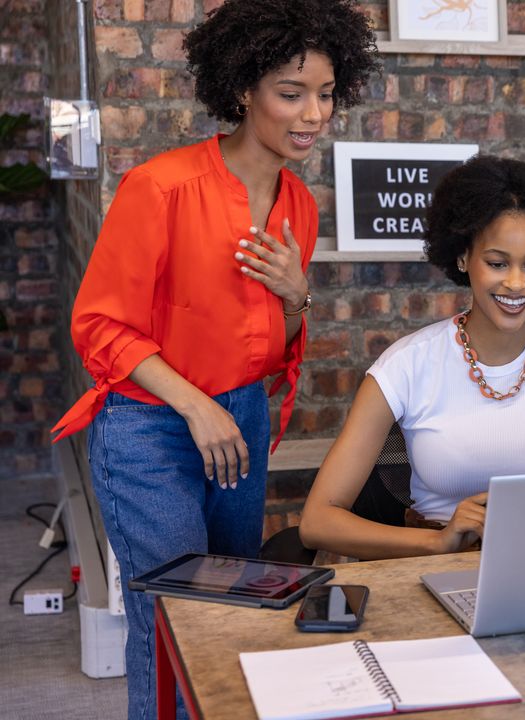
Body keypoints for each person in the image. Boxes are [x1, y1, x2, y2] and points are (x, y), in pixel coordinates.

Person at [49, 2, 378, 717]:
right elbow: (99, 325)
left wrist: (298, 298)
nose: (313, 113)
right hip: (152, 426)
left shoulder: (299, 204)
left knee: (231, 610)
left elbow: (274, 344)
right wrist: (196, 406)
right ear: (241, 90)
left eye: (325, 93)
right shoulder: (160, 188)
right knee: (171, 616)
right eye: (292, 94)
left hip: (243, 421)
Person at [300, 155, 525, 559]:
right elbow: (318, 522)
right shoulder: (407, 365)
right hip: (436, 568)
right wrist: (437, 542)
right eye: (497, 263)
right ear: (463, 258)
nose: (516, 283)